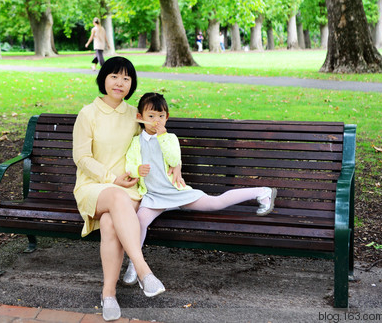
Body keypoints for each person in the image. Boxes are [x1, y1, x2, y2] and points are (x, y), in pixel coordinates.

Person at [121, 92, 277, 285]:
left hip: (177, 192)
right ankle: (135, 264)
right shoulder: (136, 143)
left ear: (167, 118)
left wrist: (162, 136)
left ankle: (261, 192)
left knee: (215, 202)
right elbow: (129, 165)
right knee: (139, 222)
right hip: (153, 196)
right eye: (151, 116)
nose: (156, 121)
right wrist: (137, 170)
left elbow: (173, 159)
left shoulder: (169, 138)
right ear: (140, 117)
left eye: (161, 116)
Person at [72, 57, 165, 321]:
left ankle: (109, 293)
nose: (120, 82)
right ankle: (143, 270)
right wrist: (111, 178)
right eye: (114, 76)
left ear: (132, 84)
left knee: (112, 222)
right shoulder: (88, 113)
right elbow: (81, 157)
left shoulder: (134, 114)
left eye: (126, 78)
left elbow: (150, 145)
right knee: (114, 197)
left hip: (128, 188)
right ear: (103, 78)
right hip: (94, 186)